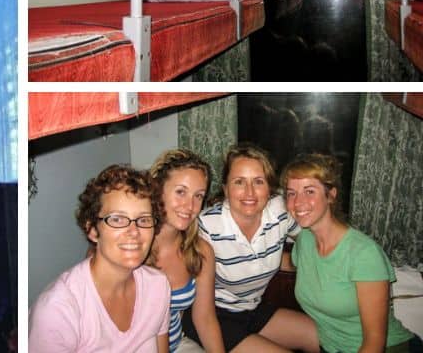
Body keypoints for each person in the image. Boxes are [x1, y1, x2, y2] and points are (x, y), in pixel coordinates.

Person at [182, 143, 319, 353]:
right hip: (215, 316)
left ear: (270, 188)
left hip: (253, 310)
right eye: (239, 182)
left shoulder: (281, 211)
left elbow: (314, 238)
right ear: (226, 189)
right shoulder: (207, 227)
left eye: (258, 181)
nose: (249, 192)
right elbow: (203, 313)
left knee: (322, 336)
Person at [282, 154, 422, 353]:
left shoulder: (363, 254)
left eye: (309, 191)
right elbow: (290, 263)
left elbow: (374, 342)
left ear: (331, 195)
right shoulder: (305, 239)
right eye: (291, 193)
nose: (298, 202)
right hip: (333, 346)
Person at [29, 165, 171, 352]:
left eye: (143, 220)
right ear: (93, 230)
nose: (134, 232)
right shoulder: (58, 310)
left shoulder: (158, 286)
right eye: (117, 219)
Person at [148, 149, 225, 353]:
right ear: (157, 190)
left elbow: (205, 318)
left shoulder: (200, 251)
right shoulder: (128, 247)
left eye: (198, 195)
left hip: (177, 345)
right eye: (181, 192)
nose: (190, 206)